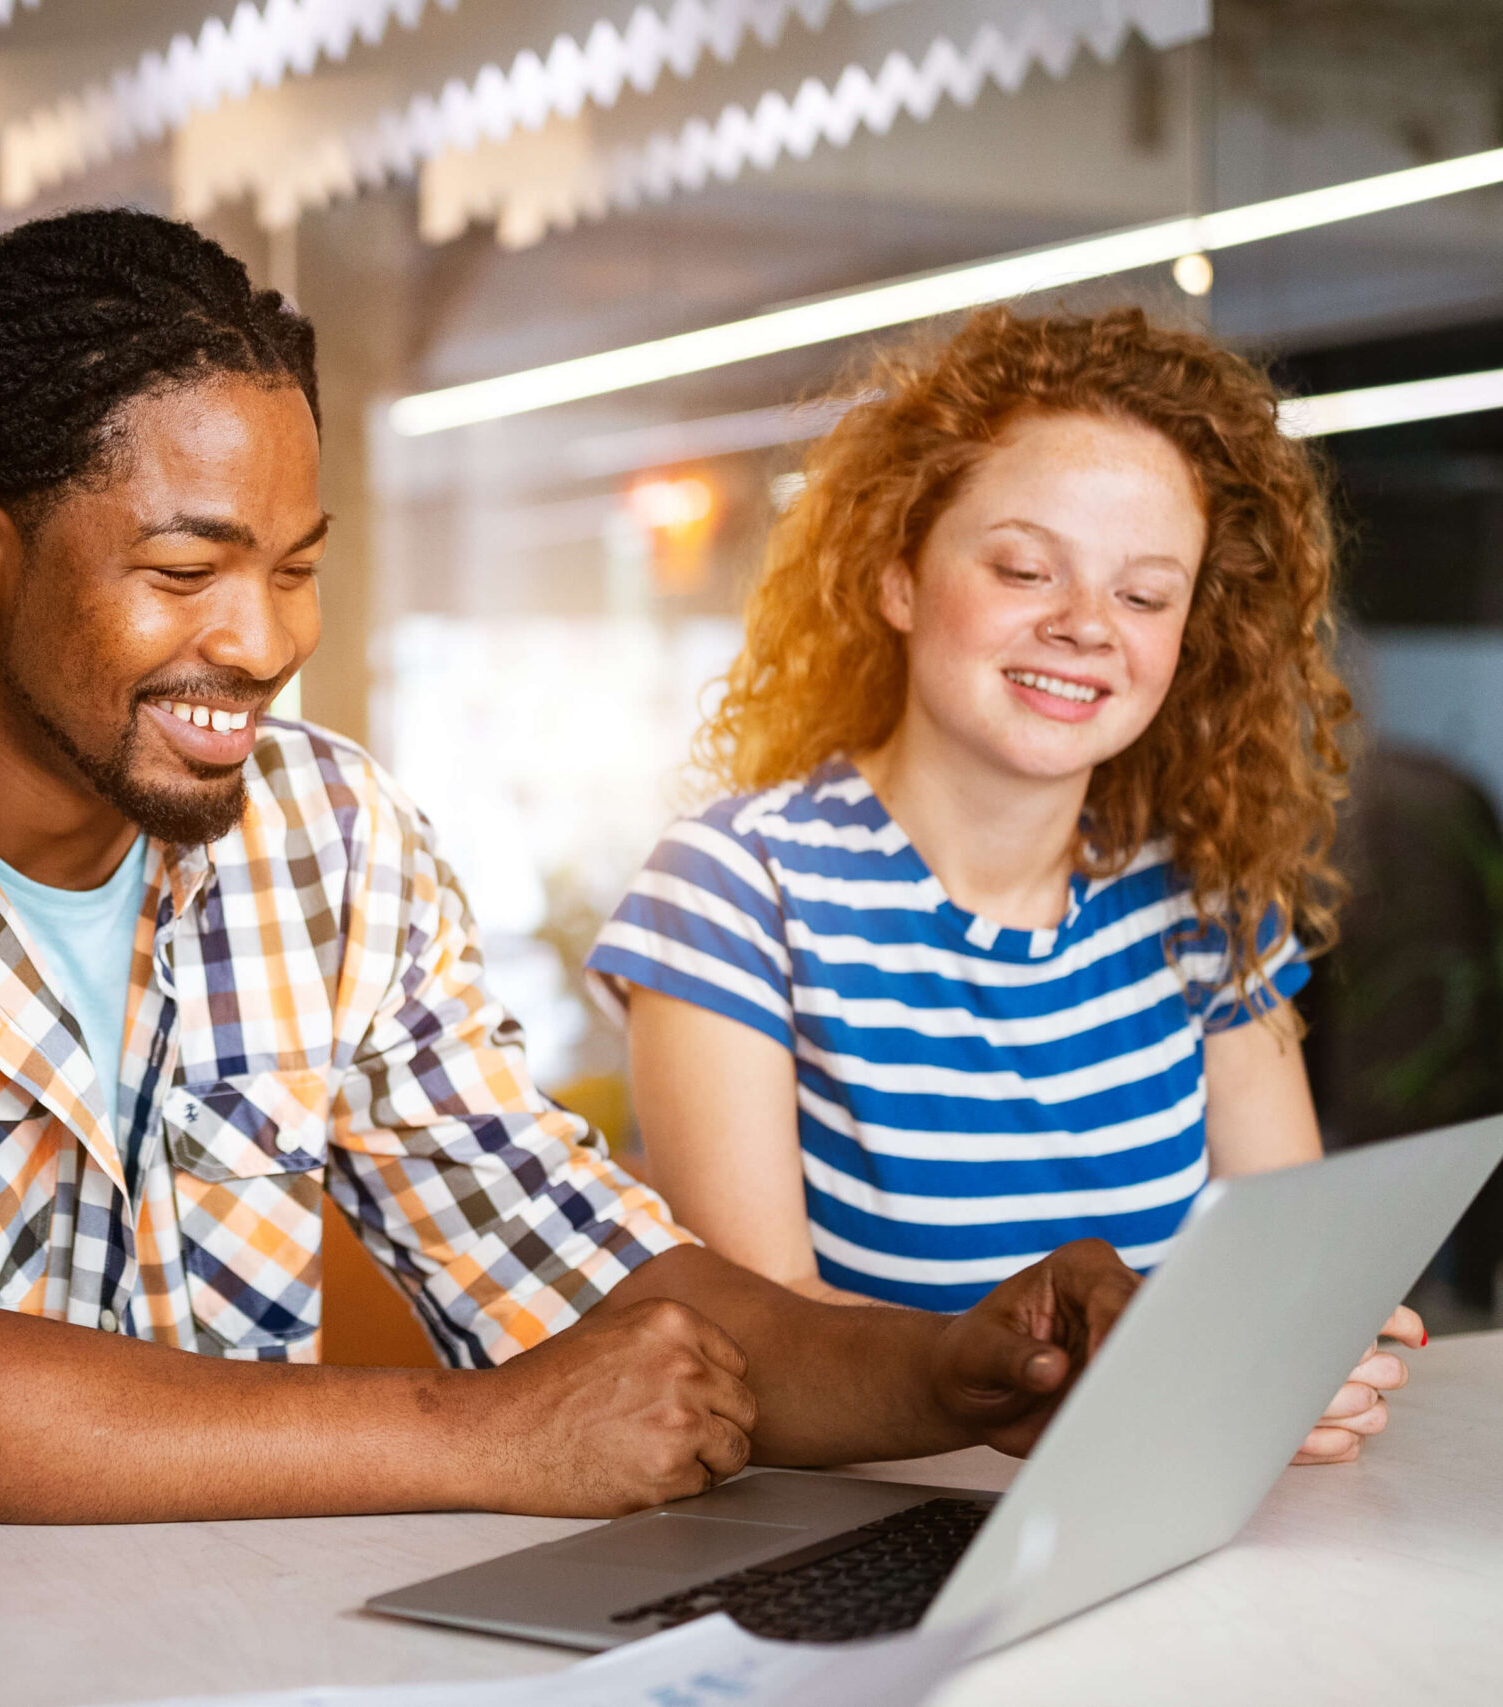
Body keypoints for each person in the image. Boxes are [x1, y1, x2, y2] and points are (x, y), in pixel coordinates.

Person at [0, 208, 1142, 1528]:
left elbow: (580, 1266)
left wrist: (954, 1368)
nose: (261, 641)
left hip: (245, 1637)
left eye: (297, 568)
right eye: (187, 570)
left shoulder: (334, 841)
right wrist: (491, 1432)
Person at [587, 307, 1415, 1468]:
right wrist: (1100, 1381)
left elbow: (1283, 1266)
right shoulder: (734, 886)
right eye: (1025, 568)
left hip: (1156, 1499)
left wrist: (1309, 1357)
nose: (1083, 625)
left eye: (1144, 595)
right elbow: (749, 1329)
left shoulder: (1207, 907)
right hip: (861, 1525)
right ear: (898, 579)